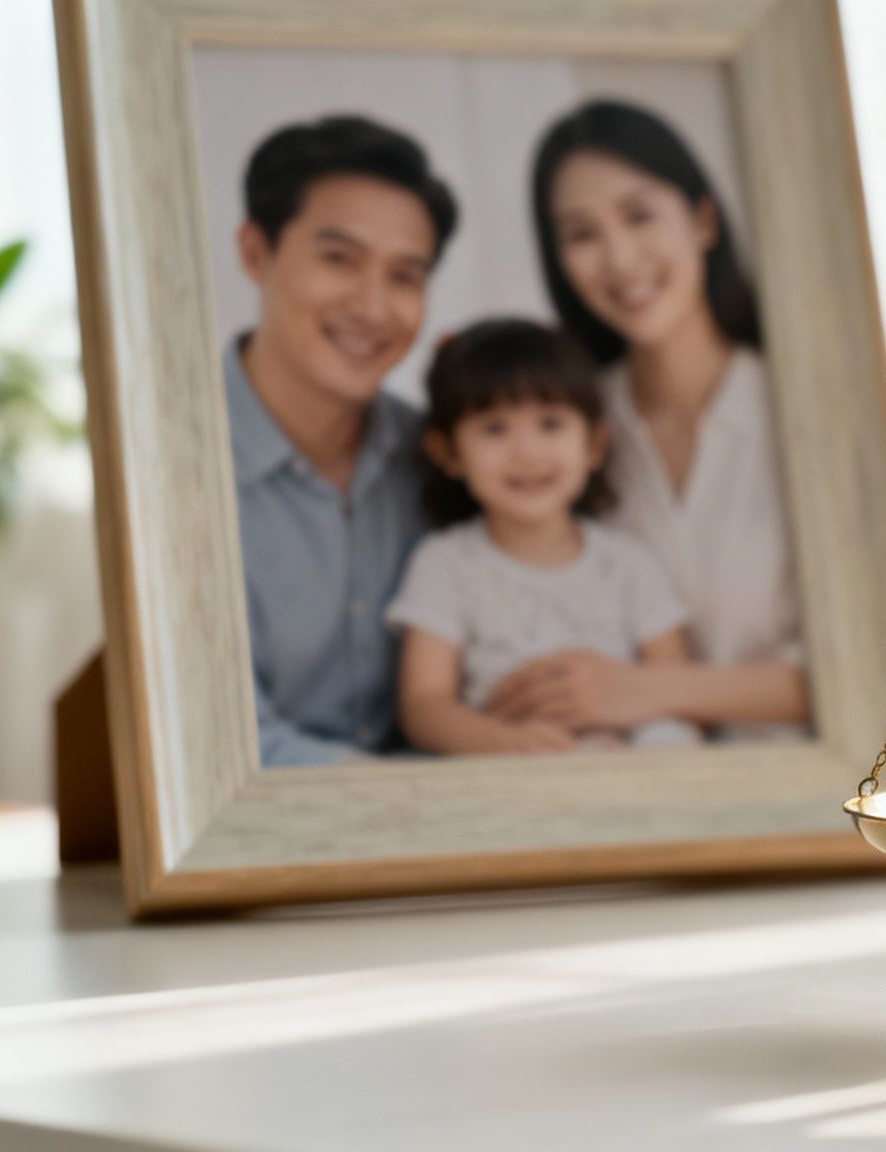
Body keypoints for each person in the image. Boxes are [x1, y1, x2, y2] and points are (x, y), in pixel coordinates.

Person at [485, 100, 807, 741]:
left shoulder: (804, 410)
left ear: (703, 219)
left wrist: (643, 691)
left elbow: (875, 665)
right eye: (581, 234)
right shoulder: (562, 436)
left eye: (639, 215)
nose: (619, 257)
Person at [224, 115, 456, 766]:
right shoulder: (171, 462)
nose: (374, 308)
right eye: (339, 259)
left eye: (405, 276)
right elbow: (220, 751)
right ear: (255, 252)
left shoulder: (442, 460)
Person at [386, 319, 700, 755]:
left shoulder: (630, 563)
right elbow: (423, 706)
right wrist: (504, 744)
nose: (527, 452)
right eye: (494, 428)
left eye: (550, 424)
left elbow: (675, 688)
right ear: (449, 453)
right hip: (509, 785)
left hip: (632, 783)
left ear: (593, 445)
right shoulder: (444, 563)